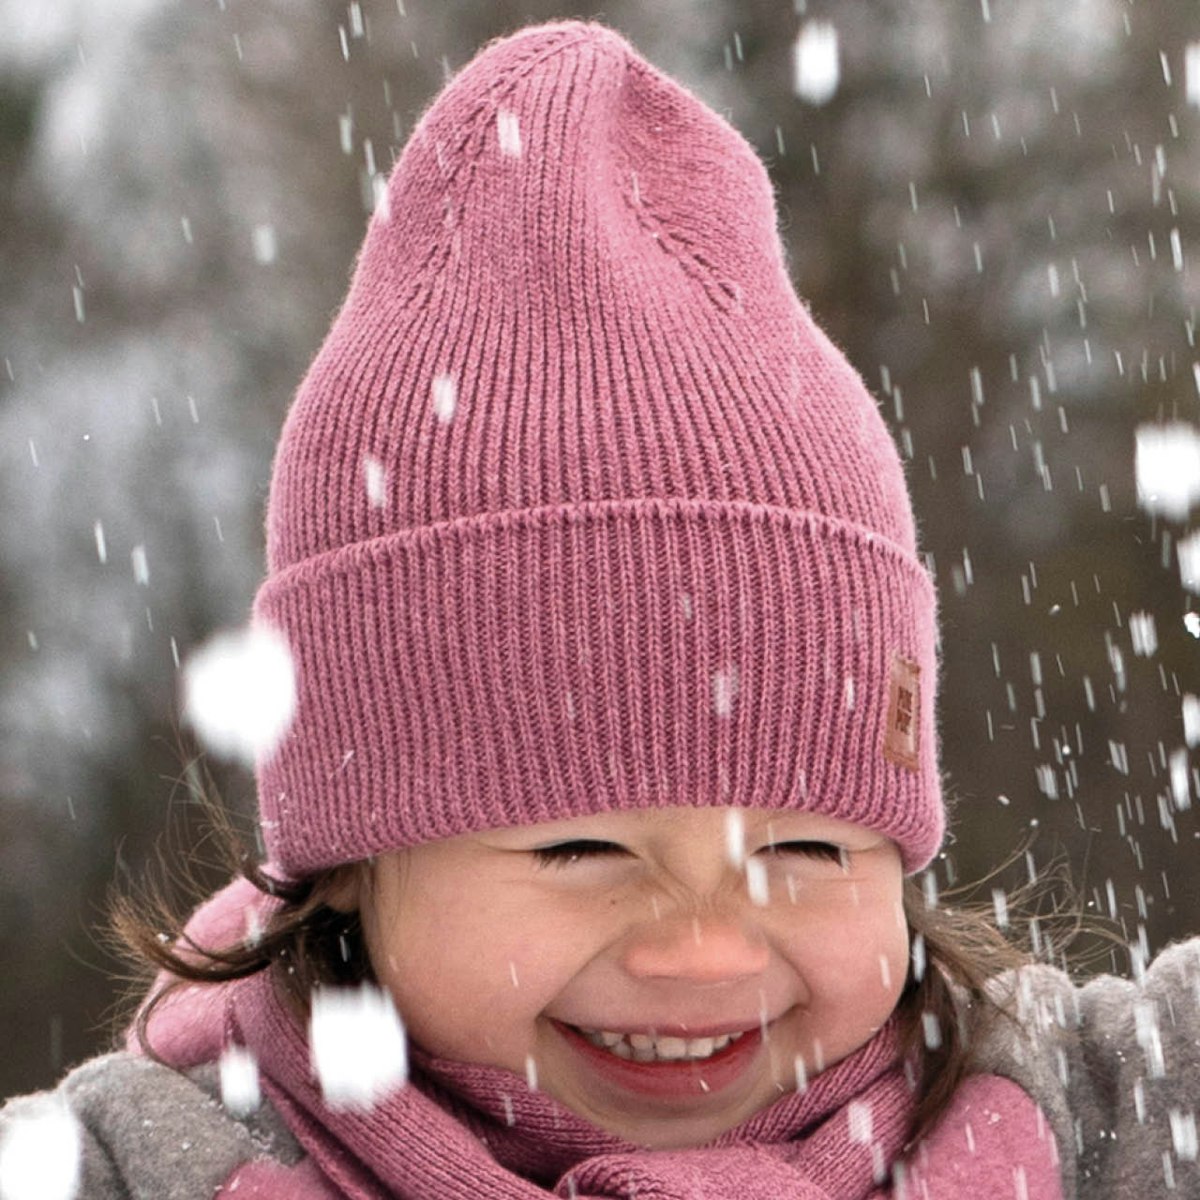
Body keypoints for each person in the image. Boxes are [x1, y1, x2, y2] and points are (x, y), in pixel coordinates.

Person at [2, 19, 1198, 1200]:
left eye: (809, 847)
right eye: (583, 848)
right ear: (352, 859)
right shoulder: (142, 1171)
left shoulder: (1089, 1124)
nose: (706, 947)